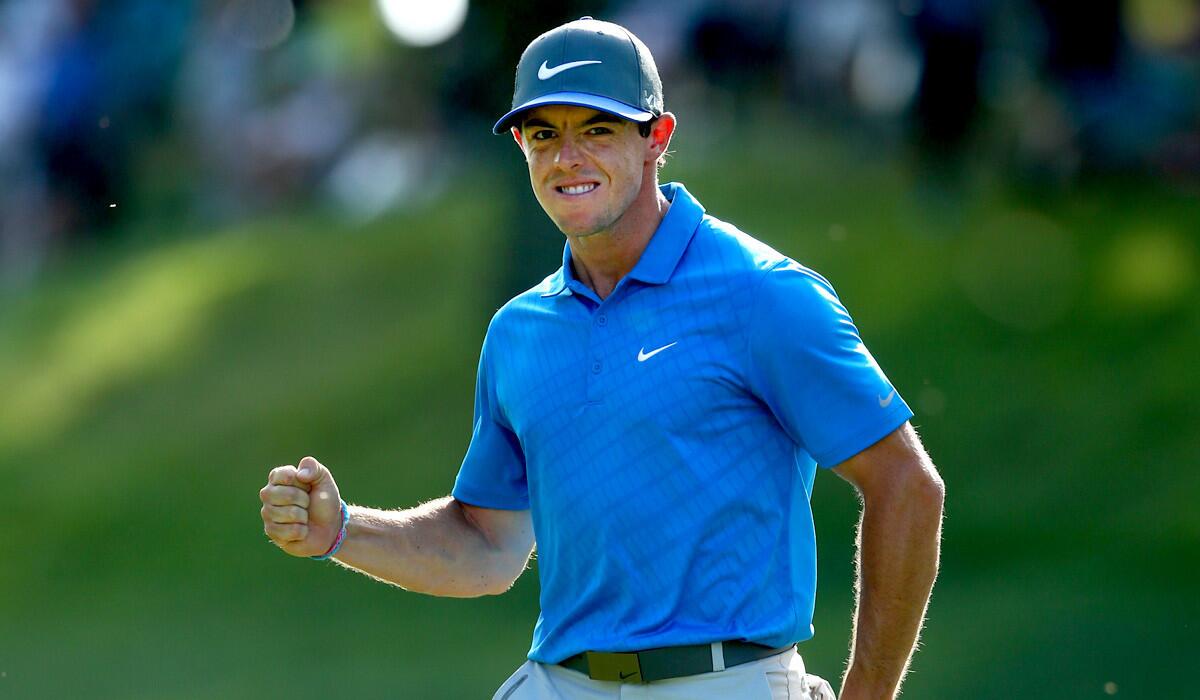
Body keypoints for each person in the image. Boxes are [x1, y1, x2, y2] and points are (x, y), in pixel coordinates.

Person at [259, 16, 944, 700]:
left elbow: (906, 485)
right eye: (544, 134)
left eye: (597, 129)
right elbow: (488, 546)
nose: (567, 159)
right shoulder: (518, 332)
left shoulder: (762, 294)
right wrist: (344, 530)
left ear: (656, 138)